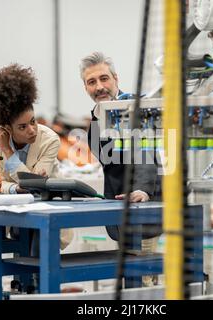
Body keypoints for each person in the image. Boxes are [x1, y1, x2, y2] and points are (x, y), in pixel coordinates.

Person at [0, 63, 73, 250]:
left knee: (38, 260)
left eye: (32, 121)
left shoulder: (49, 140)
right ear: (6, 129)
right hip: (13, 215)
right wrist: (15, 189)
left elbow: (33, 185)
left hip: (46, 213)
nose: (32, 130)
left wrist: (8, 153)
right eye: (22, 127)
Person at [80, 52, 161, 284]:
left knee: (143, 279)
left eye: (104, 79)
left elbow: (147, 152)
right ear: (85, 87)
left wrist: (143, 190)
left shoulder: (137, 108)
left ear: (116, 78)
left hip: (142, 207)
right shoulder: (97, 119)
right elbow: (108, 160)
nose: (99, 86)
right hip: (118, 206)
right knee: (130, 277)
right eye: (91, 82)